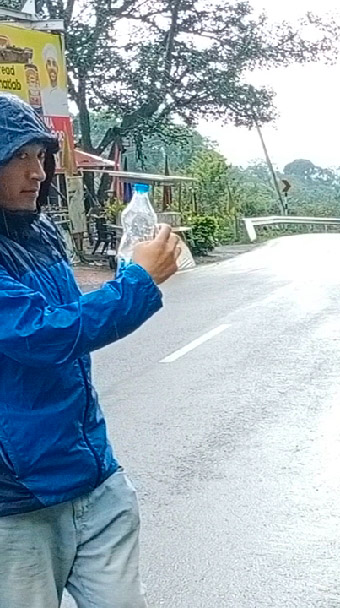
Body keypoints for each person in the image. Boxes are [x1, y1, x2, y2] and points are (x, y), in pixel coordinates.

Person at [0, 93, 181, 607]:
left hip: (95, 478)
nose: (36, 172)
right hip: (18, 502)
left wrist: (132, 271)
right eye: (18, 156)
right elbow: (41, 334)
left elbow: (72, 325)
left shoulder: (40, 233)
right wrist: (138, 284)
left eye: (41, 155)